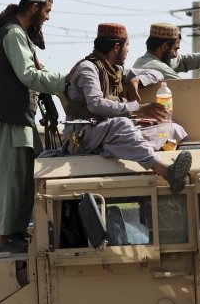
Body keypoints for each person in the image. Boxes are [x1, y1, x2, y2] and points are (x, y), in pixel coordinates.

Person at [0, 0, 73, 253]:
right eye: (47, 11)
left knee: (26, 182)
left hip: (20, 123)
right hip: (7, 123)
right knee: (11, 183)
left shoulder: (20, 35)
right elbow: (29, 76)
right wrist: (66, 81)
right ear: (34, 8)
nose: (48, 17)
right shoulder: (12, 34)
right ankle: (8, 238)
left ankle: (16, 234)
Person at [62, 23, 192, 194]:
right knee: (122, 125)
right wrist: (137, 108)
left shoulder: (117, 71)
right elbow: (96, 104)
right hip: (83, 133)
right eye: (127, 45)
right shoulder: (88, 68)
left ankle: (189, 175)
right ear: (117, 47)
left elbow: (157, 73)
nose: (128, 50)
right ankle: (166, 171)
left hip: (107, 131)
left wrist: (137, 80)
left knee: (172, 128)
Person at [133, 22, 200, 79]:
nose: (176, 55)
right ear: (165, 46)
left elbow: (185, 61)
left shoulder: (149, 60)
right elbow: (186, 89)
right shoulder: (156, 67)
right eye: (175, 49)